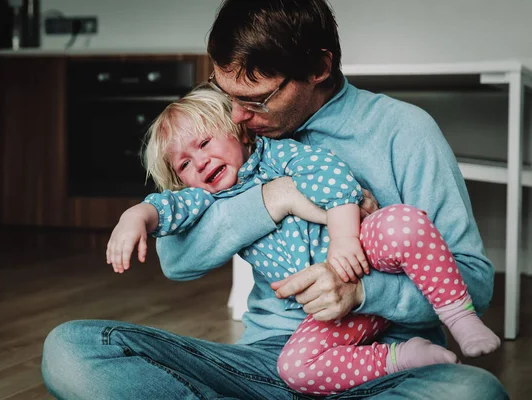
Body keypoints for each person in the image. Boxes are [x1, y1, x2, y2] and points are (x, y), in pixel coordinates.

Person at [41, 1, 508, 398]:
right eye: (229, 96)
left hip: (384, 365)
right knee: (74, 349)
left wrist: (362, 292)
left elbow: (475, 283)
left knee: (472, 392)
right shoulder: (224, 133)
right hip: (267, 363)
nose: (239, 116)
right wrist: (275, 197)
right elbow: (178, 259)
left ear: (319, 68)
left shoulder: (403, 130)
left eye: (258, 100)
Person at [105, 84, 498, 395]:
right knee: (79, 347)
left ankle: (458, 321)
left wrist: (352, 266)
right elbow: (172, 238)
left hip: (365, 259)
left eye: (205, 144)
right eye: (184, 164)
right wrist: (134, 216)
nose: (242, 110)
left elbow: (334, 180)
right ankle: (403, 359)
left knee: (404, 225)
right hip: (287, 348)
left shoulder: (275, 154)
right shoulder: (206, 194)